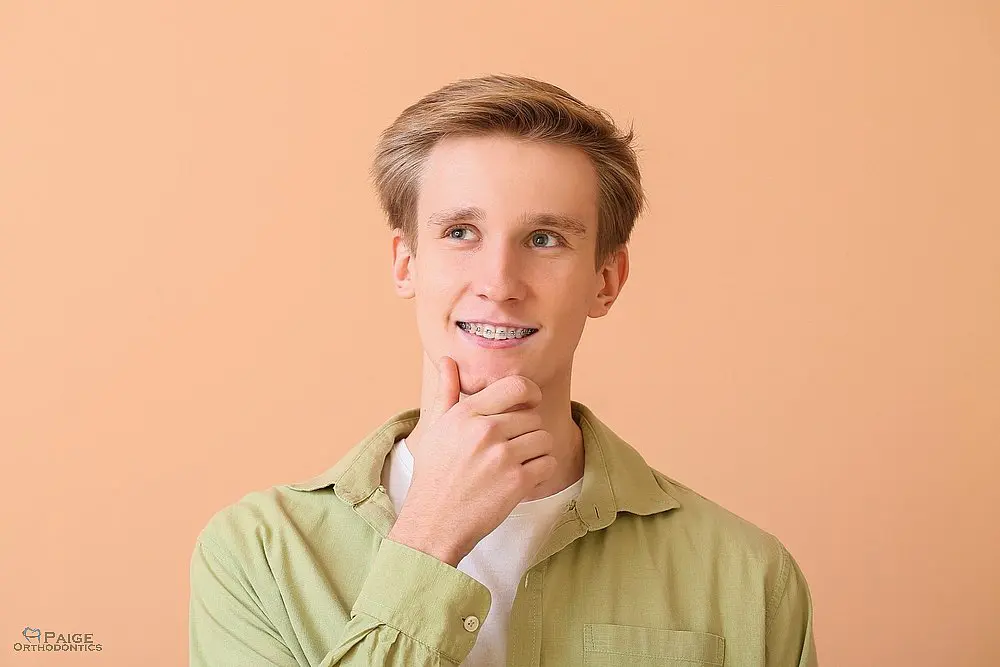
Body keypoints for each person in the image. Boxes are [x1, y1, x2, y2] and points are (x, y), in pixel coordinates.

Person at [189, 74, 818, 667]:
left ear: (607, 280)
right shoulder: (259, 554)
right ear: (406, 264)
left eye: (545, 239)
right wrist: (428, 541)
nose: (498, 284)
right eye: (461, 232)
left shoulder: (749, 575)